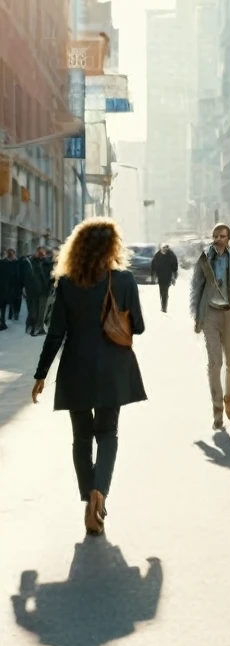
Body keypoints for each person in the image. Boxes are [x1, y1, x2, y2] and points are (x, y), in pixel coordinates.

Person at [31, 218, 146, 535]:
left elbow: (55, 334)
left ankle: (87, 500)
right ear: (113, 246)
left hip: (76, 368)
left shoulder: (67, 282)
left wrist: (41, 374)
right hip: (113, 367)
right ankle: (100, 492)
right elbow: (138, 325)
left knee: (81, 438)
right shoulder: (123, 280)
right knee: (107, 434)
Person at [190, 224, 230, 430]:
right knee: (214, 364)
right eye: (216, 236)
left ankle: (229, 397)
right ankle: (217, 411)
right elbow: (195, 288)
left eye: (223, 236)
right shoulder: (204, 258)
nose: (219, 239)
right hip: (210, 313)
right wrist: (197, 315)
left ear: (229, 238)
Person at [23, 247, 54, 336]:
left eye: (43, 254)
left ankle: (34, 328)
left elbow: (50, 276)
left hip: (41, 290)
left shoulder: (44, 263)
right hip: (35, 290)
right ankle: (33, 328)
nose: (42, 255)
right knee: (35, 311)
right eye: (41, 253)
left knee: (38, 311)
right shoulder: (30, 262)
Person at [150, 243, 179, 314]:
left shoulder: (171, 255)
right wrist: (153, 275)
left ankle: (164, 307)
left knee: (165, 291)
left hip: (168, 276)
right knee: (161, 290)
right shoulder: (157, 255)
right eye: (163, 248)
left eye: (165, 248)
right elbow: (153, 265)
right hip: (160, 276)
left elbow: (175, 266)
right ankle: (163, 305)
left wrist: (174, 276)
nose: (164, 250)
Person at [0, 248, 18, 331]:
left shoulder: (4, 262)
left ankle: (4, 321)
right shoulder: (14, 263)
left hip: (7, 287)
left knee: (3, 306)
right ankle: (4, 321)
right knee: (4, 305)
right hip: (7, 287)